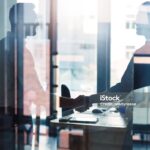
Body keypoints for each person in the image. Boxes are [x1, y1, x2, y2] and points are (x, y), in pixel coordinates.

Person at [60, 1, 150, 111]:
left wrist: (89, 100)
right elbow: (124, 90)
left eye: (141, 17)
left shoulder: (144, 53)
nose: (136, 21)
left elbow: (122, 90)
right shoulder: (142, 52)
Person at [0, 3, 47, 115]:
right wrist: (72, 102)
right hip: (13, 116)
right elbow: (36, 92)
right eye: (34, 20)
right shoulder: (20, 52)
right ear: (21, 23)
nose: (37, 24)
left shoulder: (3, 45)